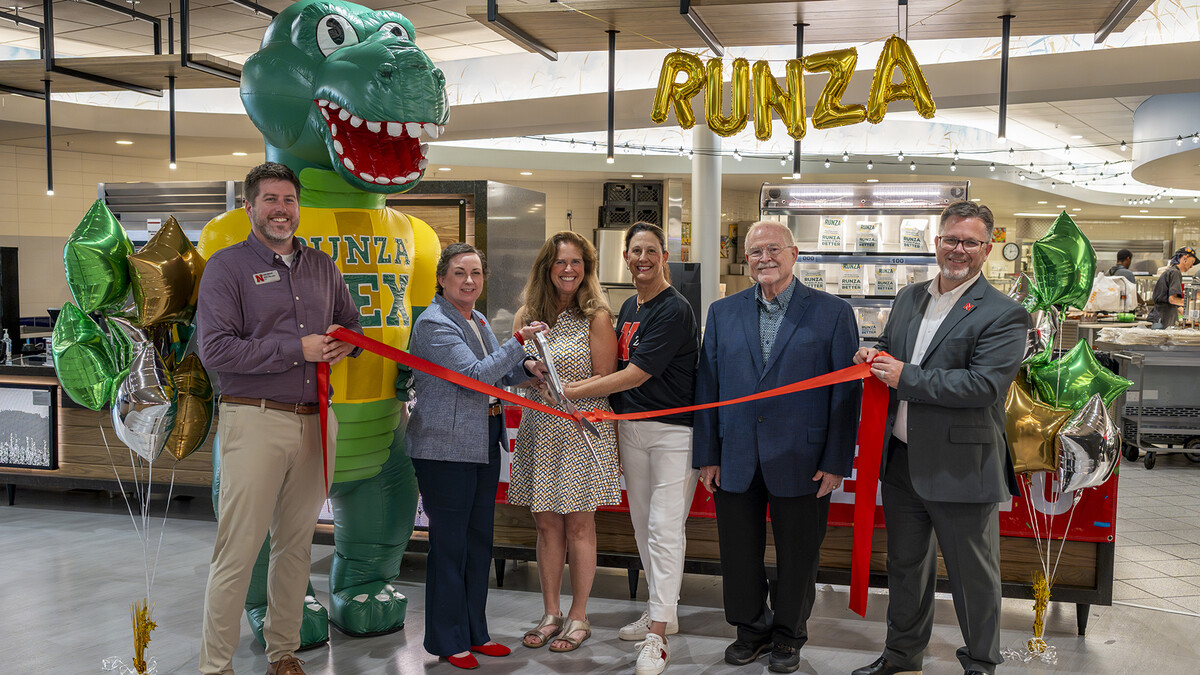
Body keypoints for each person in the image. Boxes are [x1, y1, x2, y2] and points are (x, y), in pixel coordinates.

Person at [851, 201, 1031, 675]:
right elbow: (893, 350)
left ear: (987, 249)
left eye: (971, 242)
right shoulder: (910, 297)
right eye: (951, 239)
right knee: (905, 568)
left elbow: (984, 386)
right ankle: (901, 655)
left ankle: (980, 663)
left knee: (973, 575)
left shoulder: (1005, 313)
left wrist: (904, 376)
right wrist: (874, 355)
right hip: (902, 461)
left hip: (961, 467)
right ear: (936, 242)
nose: (959, 249)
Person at [197, 161, 362, 675]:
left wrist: (345, 345)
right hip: (254, 419)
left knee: (296, 546)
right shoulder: (226, 268)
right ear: (249, 207)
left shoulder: (323, 266)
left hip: (316, 422)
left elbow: (351, 327)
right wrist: (298, 349)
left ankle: (283, 652)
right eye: (270, 199)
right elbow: (215, 350)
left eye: (289, 200)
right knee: (239, 549)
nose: (281, 209)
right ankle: (216, 666)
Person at [692, 221, 861, 674]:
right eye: (755, 252)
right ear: (746, 259)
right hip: (735, 456)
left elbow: (846, 394)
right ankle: (751, 630)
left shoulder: (833, 313)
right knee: (738, 554)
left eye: (773, 249)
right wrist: (707, 454)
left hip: (804, 459)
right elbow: (707, 387)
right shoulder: (723, 313)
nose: (764, 258)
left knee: (798, 555)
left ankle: (788, 635)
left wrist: (836, 461)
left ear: (794, 253)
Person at [565, 221, 700, 675]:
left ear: (665, 256)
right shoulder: (628, 306)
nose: (643, 258)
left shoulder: (674, 308)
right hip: (632, 431)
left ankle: (657, 636)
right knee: (644, 527)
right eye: (635, 251)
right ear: (625, 257)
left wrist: (574, 391)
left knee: (664, 529)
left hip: (673, 433)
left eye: (651, 251)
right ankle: (663, 610)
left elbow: (636, 373)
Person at [406, 242, 549, 670]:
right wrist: (519, 341)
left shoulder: (478, 319)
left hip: (482, 440)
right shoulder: (434, 323)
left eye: (476, 273)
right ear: (441, 279)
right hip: (444, 448)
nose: (469, 281)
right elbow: (473, 377)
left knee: (478, 542)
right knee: (450, 545)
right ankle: (448, 641)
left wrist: (527, 370)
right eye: (459, 273)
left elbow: (497, 373)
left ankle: (474, 633)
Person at [510, 231, 621, 653]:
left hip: (581, 430)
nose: (568, 269)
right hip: (540, 428)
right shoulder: (526, 315)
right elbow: (513, 372)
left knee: (578, 525)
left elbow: (606, 378)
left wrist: (566, 391)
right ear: (547, 267)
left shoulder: (597, 316)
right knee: (545, 524)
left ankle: (579, 616)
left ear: (586, 268)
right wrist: (531, 374)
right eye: (560, 262)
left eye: (576, 262)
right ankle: (550, 613)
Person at [1151, 246, 1196, 329]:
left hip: (1160, 318)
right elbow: (1173, 300)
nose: (1192, 266)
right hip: (1164, 320)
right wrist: (1192, 303)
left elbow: (1169, 299)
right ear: (1185, 258)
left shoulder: (1171, 271)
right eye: (1192, 262)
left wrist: (1181, 309)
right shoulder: (1175, 273)